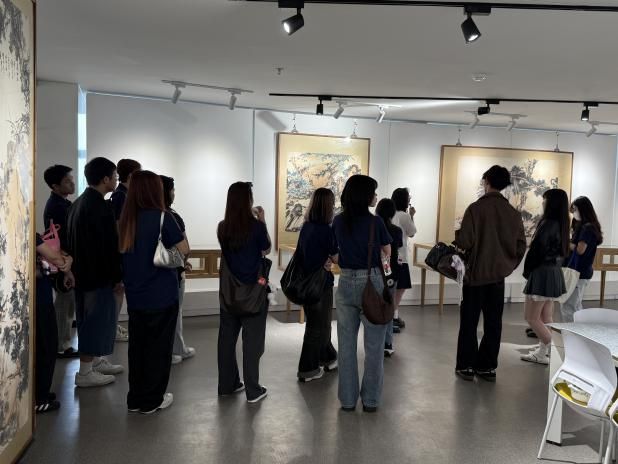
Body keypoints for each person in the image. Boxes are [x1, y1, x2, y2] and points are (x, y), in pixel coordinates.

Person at [119, 171, 189, 414]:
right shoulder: (163, 217)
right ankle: (152, 400)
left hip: (135, 294)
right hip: (161, 294)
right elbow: (184, 249)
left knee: (137, 348)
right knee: (159, 349)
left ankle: (135, 399)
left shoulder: (126, 219)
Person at [454, 165, 526, 382]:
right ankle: (487, 367)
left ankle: (466, 365)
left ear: (486, 181)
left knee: (469, 322)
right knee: (494, 323)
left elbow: (465, 242)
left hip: (475, 276)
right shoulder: (513, 213)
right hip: (497, 278)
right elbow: (520, 246)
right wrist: (507, 265)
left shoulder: (476, 209)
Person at [332, 175, 392, 413]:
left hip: (346, 281)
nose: (376, 196)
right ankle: (370, 400)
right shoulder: (376, 222)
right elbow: (387, 251)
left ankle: (347, 400)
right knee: (374, 347)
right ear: (365, 196)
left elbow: (334, 254)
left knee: (346, 346)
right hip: (372, 281)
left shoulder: (338, 221)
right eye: (373, 192)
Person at [66, 157, 125, 388]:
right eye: (115, 176)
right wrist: (117, 276)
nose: (117, 180)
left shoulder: (78, 203)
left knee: (90, 320)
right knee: (94, 322)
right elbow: (108, 247)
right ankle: (85, 372)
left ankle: (96, 361)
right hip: (97, 276)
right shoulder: (100, 207)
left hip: (83, 274)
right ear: (105, 179)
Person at [217, 182, 271, 403]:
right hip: (254, 294)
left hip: (229, 294)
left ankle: (227, 385)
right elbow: (266, 249)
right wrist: (262, 220)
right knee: (252, 343)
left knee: (226, 341)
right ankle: (253, 390)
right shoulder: (256, 227)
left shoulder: (222, 227)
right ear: (248, 200)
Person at [521, 189, 570, 365]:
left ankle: (556, 351)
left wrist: (528, 270)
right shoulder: (561, 223)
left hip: (542, 273)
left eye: (545, 199)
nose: (542, 202)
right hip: (552, 272)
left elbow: (537, 251)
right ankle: (542, 352)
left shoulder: (549, 224)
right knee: (545, 318)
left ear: (552, 203)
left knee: (531, 317)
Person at [296, 188, 338, 383]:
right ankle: (307, 369)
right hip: (320, 284)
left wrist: (325, 259)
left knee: (320, 324)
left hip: (307, 283)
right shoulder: (325, 231)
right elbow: (336, 257)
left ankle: (328, 357)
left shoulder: (306, 227)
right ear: (328, 206)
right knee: (317, 327)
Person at [35, 234, 74, 412]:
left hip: (36, 298)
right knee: (47, 346)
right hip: (39, 300)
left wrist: (66, 260)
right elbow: (56, 258)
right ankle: (40, 398)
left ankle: (38, 392)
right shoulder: (29, 235)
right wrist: (67, 261)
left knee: (41, 346)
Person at [43, 164, 79, 358]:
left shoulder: (62, 203)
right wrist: (66, 268)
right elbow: (59, 241)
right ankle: (61, 346)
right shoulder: (57, 207)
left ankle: (62, 343)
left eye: (71, 179)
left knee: (67, 303)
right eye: (67, 181)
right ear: (55, 186)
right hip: (63, 261)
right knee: (64, 304)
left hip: (65, 260)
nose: (72, 183)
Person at [160, 175, 196, 365]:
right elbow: (185, 248)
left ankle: (174, 348)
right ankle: (176, 349)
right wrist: (183, 261)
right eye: (172, 189)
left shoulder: (144, 215)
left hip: (156, 273)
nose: (174, 193)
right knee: (174, 312)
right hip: (173, 271)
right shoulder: (170, 216)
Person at [110, 158, 142, 343]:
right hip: (122, 253)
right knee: (119, 291)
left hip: (123, 252)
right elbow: (119, 228)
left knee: (120, 292)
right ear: (131, 175)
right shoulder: (121, 196)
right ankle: (112, 328)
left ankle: (113, 326)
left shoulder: (123, 195)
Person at [560, 197, 603, 322]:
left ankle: (570, 332)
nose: (573, 212)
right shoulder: (589, 226)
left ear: (582, 209)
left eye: (575, 209)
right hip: (582, 271)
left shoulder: (587, 228)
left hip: (578, 271)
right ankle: (577, 332)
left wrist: (565, 242)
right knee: (575, 305)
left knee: (569, 306)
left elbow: (580, 250)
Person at [375, 198, 403, 357]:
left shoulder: (373, 228)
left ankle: (377, 342)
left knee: (374, 307)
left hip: (375, 272)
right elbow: (397, 250)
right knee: (389, 307)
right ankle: (387, 343)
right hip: (391, 273)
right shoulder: (396, 231)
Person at [391, 188, 417, 332]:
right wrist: (412, 216)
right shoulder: (404, 216)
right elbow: (412, 233)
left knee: (393, 288)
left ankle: (393, 316)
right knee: (400, 289)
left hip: (389, 257)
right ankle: (392, 317)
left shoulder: (390, 213)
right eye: (408, 198)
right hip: (401, 258)